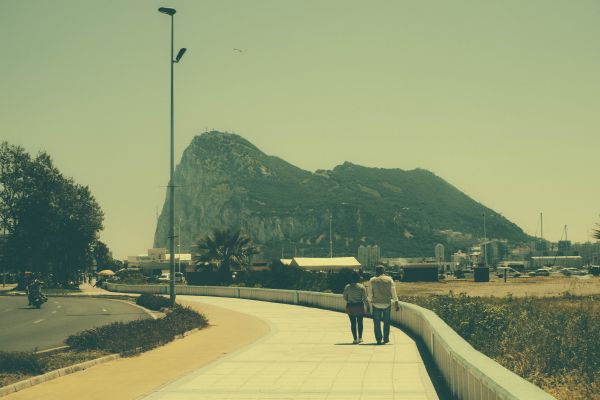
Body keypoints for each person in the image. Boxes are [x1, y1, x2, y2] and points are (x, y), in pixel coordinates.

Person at [368, 265, 400, 344]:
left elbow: (370, 294)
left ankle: (378, 339)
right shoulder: (389, 280)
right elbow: (393, 292)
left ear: (376, 271)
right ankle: (386, 338)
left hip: (376, 304)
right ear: (384, 271)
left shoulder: (372, 280)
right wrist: (396, 302)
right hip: (386, 304)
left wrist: (371, 301)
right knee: (386, 322)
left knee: (376, 322)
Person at [343, 271, 368, 344]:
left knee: (353, 323)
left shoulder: (347, 286)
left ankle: (355, 339)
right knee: (360, 322)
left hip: (350, 306)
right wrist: (368, 307)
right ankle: (360, 337)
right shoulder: (361, 287)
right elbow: (364, 298)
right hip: (359, 306)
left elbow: (344, 297)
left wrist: (349, 299)